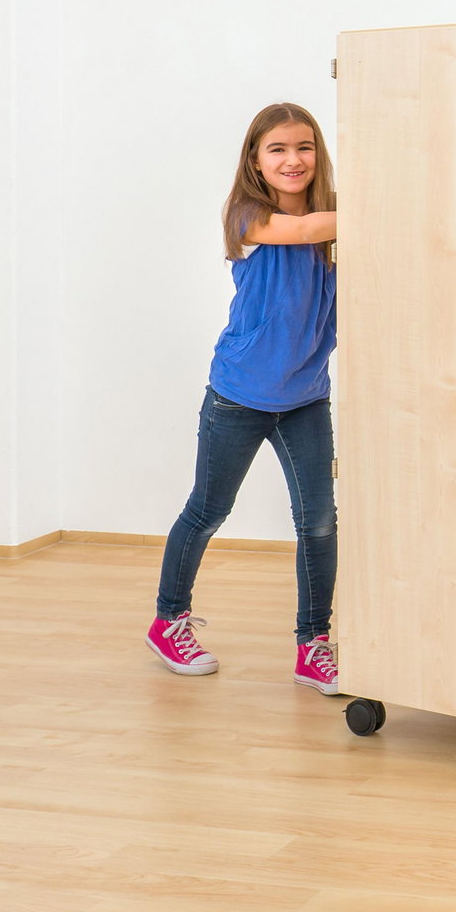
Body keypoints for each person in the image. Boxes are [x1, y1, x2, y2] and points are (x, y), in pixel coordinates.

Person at [144, 102, 341, 694]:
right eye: (277, 149)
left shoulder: (334, 219)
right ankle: (168, 620)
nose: (293, 159)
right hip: (240, 394)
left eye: (304, 147)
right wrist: (386, 205)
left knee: (318, 522)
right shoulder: (247, 215)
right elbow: (301, 231)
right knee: (208, 510)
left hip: (305, 396)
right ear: (256, 160)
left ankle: (313, 645)